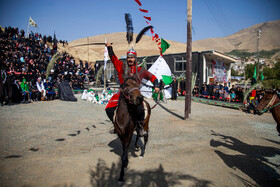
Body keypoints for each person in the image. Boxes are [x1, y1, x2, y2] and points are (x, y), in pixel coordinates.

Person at [105, 42, 159, 136]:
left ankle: (140, 127)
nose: (130, 59)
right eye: (128, 57)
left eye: (132, 57)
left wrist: (156, 85)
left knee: (141, 109)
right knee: (108, 109)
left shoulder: (140, 70)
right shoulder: (122, 66)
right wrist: (110, 48)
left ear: (135, 58)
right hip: (122, 93)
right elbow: (113, 59)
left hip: (135, 94)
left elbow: (153, 77)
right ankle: (115, 125)